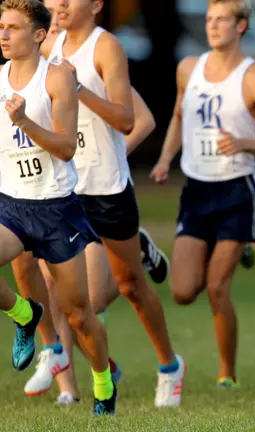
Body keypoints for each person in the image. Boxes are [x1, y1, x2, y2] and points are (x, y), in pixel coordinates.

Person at [18, 0, 164, 403]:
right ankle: (67, 386)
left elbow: (136, 119)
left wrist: (78, 90)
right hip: (65, 188)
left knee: (93, 298)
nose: (59, 4)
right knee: (50, 283)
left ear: (96, 5)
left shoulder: (105, 48)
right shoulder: (47, 48)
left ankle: (139, 250)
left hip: (105, 189)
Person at [151, 0, 255, 389]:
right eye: (209, 20)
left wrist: (244, 142)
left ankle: (227, 372)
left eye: (222, 20)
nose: (213, 27)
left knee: (216, 287)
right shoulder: (188, 69)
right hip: (196, 191)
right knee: (181, 292)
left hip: (236, 193)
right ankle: (222, 249)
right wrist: (164, 160)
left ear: (241, 25)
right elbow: (179, 116)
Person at [0, 0, 117, 415]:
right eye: (2, 26)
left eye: (14, 27)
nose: (4, 34)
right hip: (11, 206)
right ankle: (23, 313)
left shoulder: (57, 81)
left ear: (37, 35)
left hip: (56, 210)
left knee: (80, 314)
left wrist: (27, 122)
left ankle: (103, 383)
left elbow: (67, 148)